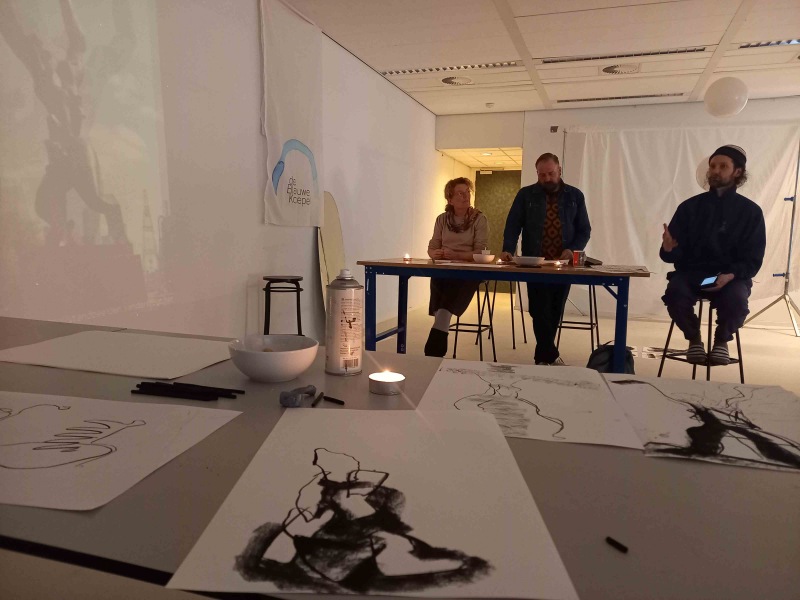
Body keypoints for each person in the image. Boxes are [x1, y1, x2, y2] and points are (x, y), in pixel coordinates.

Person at [660, 145, 766, 366]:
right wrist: (669, 249)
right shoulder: (689, 207)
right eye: (713, 166)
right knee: (675, 293)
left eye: (723, 166)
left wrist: (730, 275)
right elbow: (672, 256)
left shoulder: (751, 212)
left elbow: (753, 260)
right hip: (694, 276)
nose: (715, 171)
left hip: (730, 277)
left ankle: (721, 342)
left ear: (737, 172)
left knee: (737, 301)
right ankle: (694, 339)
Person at [500, 153, 591, 366]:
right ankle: (547, 356)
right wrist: (507, 249)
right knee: (538, 309)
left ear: (559, 170)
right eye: (542, 175)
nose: (547, 178)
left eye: (551, 173)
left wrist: (572, 249)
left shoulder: (575, 196)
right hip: (534, 262)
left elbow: (584, 229)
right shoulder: (525, 195)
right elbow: (513, 224)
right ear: (537, 174)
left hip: (563, 264)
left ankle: (544, 357)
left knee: (554, 309)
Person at [424, 177, 489, 357]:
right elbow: (432, 246)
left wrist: (457, 256)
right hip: (445, 267)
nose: (465, 196)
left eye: (467, 192)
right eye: (460, 193)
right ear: (450, 199)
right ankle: (442, 322)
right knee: (439, 276)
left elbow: (481, 251)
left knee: (454, 280)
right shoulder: (442, 219)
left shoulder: (479, 219)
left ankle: (440, 324)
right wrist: (434, 254)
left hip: (470, 269)